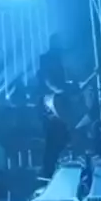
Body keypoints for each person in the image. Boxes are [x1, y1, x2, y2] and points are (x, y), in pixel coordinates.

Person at [37, 33, 71, 179]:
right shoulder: (46, 58)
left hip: (58, 102)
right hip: (50, 102)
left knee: (61, 137)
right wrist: (59, 89)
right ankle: (49, 172)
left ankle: (55, 171)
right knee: (52, 139)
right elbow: (46, 79)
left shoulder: (60, 58)